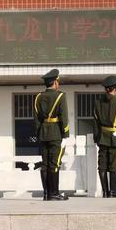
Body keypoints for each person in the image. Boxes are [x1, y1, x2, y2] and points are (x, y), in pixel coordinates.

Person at [34, 69, 70, 201]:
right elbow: (64, 117)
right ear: (55, 82)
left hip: (43, 134)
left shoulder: (38, 97)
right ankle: (54, 193)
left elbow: (37, 119)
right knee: (54, 164)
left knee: (45, 164)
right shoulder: (60, 96)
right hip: (56, 133)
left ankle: (46, 193)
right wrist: (65, 135)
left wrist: (39, 134)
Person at [93, 76, 116, 198]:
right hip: (114, 137)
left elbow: (95, 123)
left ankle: (105, 191)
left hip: (102, 137)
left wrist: (96, 138)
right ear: (115, 88)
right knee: (114, 164)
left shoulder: (97, 103)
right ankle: (112, 191)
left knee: (102, 164)